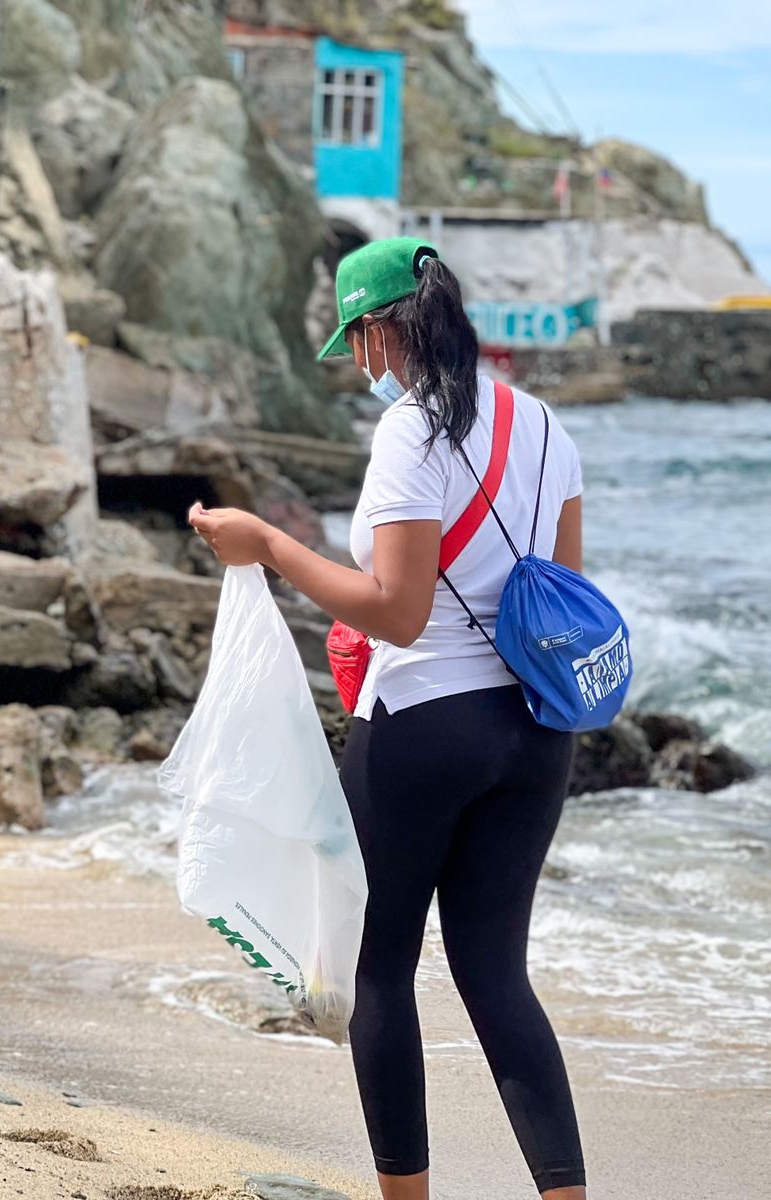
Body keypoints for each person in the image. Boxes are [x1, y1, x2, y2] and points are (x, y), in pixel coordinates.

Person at [187, 238, 588, 1200]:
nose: (357, 364)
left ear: (377, 332)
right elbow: (567, 594)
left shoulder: (412, 429)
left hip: (426, 728)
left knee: (379, 970)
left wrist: (269, 545)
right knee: (497, 977)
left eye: (355, 341)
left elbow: (399, 612)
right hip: (537, 735)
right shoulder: (544, 426)